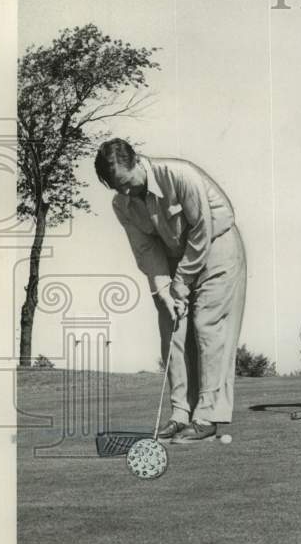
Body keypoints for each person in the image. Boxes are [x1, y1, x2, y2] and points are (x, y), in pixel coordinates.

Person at [95, 139, 247, 442]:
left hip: (217, 245)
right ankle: (180, 414)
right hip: (173, 257)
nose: (126, 192)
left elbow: (202, 231)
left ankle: (207, 416)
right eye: (117, 188)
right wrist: (164, 291)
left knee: (206, 325)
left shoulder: (180, 175)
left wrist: (181, 283)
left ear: (137, 161)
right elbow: (146, 250)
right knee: (171, 331)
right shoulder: (121, 204)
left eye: (127, 182)